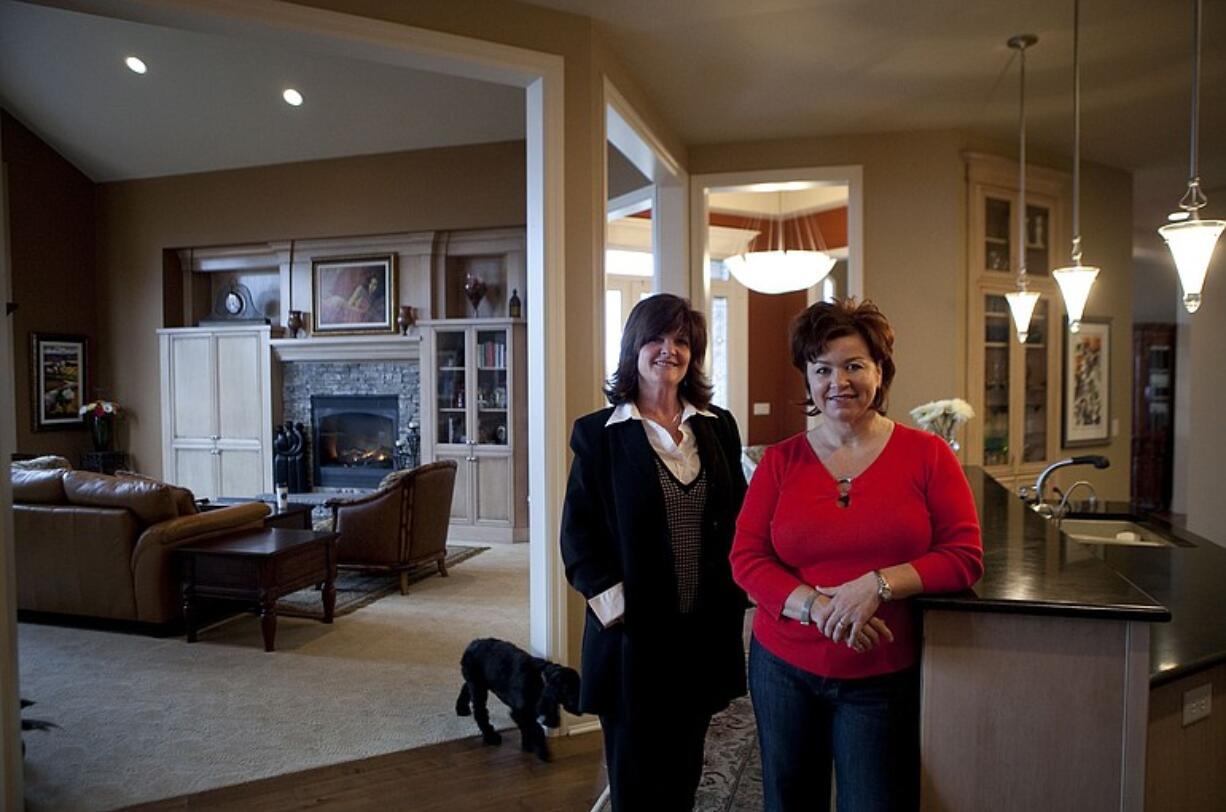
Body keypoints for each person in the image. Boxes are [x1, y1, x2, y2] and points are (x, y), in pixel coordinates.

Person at [730, 298, 983, 812]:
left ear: (880, 371)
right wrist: (819, 607)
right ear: (807, 378)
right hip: (783, 669)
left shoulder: (927, 455)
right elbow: (746, 559)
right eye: (821, 369)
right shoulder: (779, 461)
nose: (837, 382)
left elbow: (963, 555)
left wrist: (877, 585)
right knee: (788, 800)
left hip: (881, 676)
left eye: (853, 365)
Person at [560, 293, 749, 811]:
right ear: (634, 348)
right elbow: (577, 536)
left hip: (701, 634)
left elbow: (740, 519)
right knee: (636, 777)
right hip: (633, 641)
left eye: (682, 341)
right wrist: (615, 609)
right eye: (656, 339)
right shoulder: (599, 435)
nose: (669, 350)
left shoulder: (717, 427)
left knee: (685, 768)